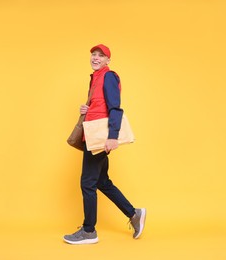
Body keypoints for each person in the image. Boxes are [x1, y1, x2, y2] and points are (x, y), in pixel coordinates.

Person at [63, 44, 146, 245]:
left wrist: (113, 136)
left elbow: (115, 108)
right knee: (101, 182)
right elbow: (100, 105)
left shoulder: (108, 76)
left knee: (87, 183)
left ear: (108, 60)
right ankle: (134, 213)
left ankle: (89, 230)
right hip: (93, 135)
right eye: (94, 54)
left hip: (100, 137)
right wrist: (87, 107)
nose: (96, 58)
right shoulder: (95, 78)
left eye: (101, 55)